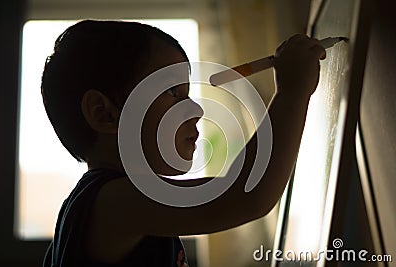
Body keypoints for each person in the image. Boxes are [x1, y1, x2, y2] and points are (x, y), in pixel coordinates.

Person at [41, 20, 325, 266]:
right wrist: (292, 92)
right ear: (104, 114)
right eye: (173, 93)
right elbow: (247, 194)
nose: (196, 110)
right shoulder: (109, 204)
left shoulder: (106, 204)